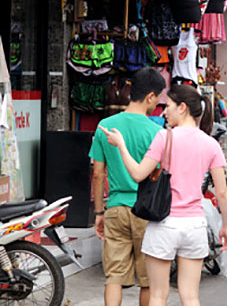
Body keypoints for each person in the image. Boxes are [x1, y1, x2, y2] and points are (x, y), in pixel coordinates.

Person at [100, 84, 227, 305]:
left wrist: (121, 145)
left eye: (168, 106)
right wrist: (225, 226)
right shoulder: (211, 144)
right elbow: (222, 193)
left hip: (164, 224)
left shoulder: (165, 138)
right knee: (190, 296)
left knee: (157, 295)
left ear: (182, 108)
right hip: (195, 225)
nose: (163, 112)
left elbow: (138, 174)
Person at [89, 67, 165, 306]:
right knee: (148, 280)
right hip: (146, 212)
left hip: (115, 208)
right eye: (158, 99)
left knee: (114, 276)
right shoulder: (157, 132)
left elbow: (98, 175)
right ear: (150, 96)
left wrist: (99, 212)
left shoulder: (106, 125)